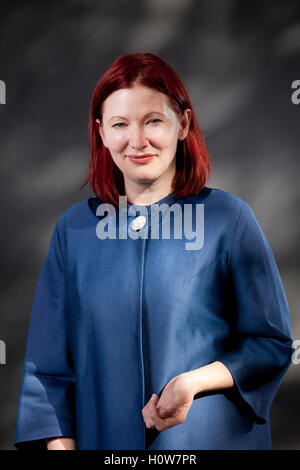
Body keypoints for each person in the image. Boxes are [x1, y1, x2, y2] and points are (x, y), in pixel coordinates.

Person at [14, 52, 294, 450]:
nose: (137, 140)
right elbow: (47, 370)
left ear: (183, 124)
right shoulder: (74, 231)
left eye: (153, 121)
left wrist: (193, 382)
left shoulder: (228, 219)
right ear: (102, 133)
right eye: (120, 124)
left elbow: (271, 343)